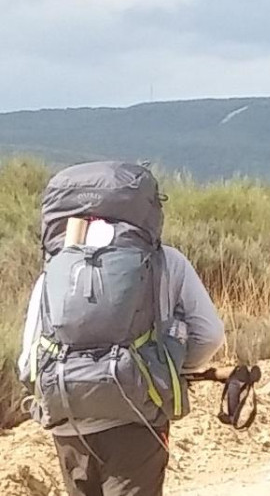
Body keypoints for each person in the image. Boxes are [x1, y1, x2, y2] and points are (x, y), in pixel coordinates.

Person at [16, 161, 226, 496]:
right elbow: (210, 335)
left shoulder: (54, 270)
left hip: (69, 417)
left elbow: (28, 362)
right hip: (137, 416)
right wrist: (168, 369)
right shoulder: (167, 261)